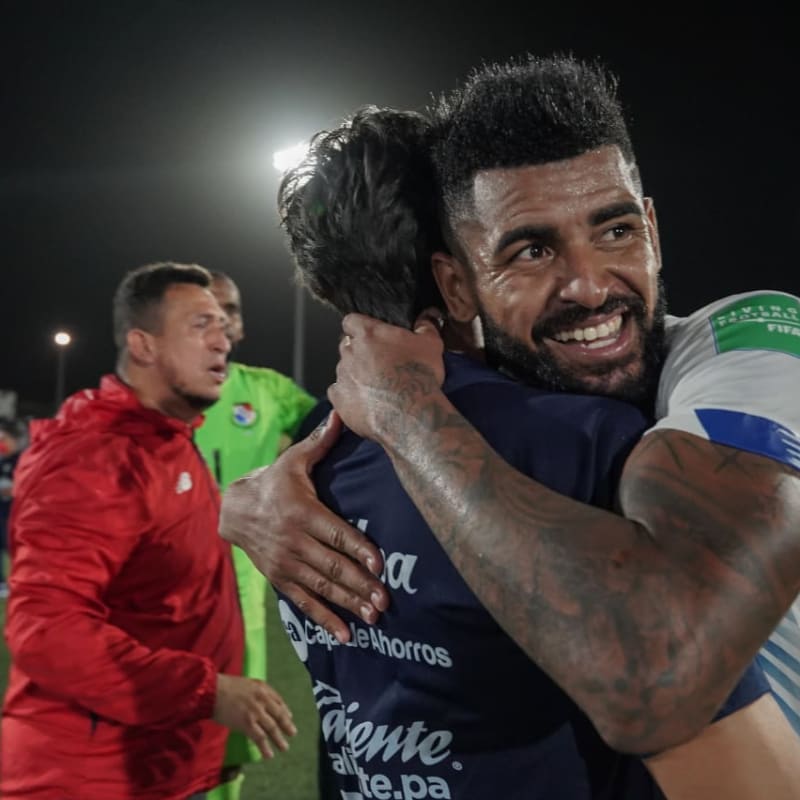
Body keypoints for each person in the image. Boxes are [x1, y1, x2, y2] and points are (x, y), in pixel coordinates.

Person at [219, 60, 800, 795]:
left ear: (653, 230)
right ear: (456, 280)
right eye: (531, 250)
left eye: (616, 230)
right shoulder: (577, 439)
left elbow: (659, 669)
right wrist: (243, 501)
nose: (588, 286)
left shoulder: (750, 345)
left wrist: (408, 414)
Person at [1, 262, 296, 800]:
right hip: (90, 777)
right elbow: (48, 631)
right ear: (143, 345)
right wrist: (206, 691)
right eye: (200, 325)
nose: (223, 340)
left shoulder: (167, 434)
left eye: (222, 324)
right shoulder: (97, 453)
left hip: (159, 763)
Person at [194, 270, 316, 800]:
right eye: (204, 312)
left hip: (241, 595)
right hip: (159, 591)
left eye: (229, 311)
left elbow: (335, 429)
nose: (220, 322)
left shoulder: (268, 392)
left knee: (230, 747)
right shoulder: (153, 397)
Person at [0, 417, 25, 600]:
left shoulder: (22, 459)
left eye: (3, 439)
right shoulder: (2, 461)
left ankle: (22, 582)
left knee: (15, 547)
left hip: (17, 512)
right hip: (1, 510)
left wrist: (12, 489)